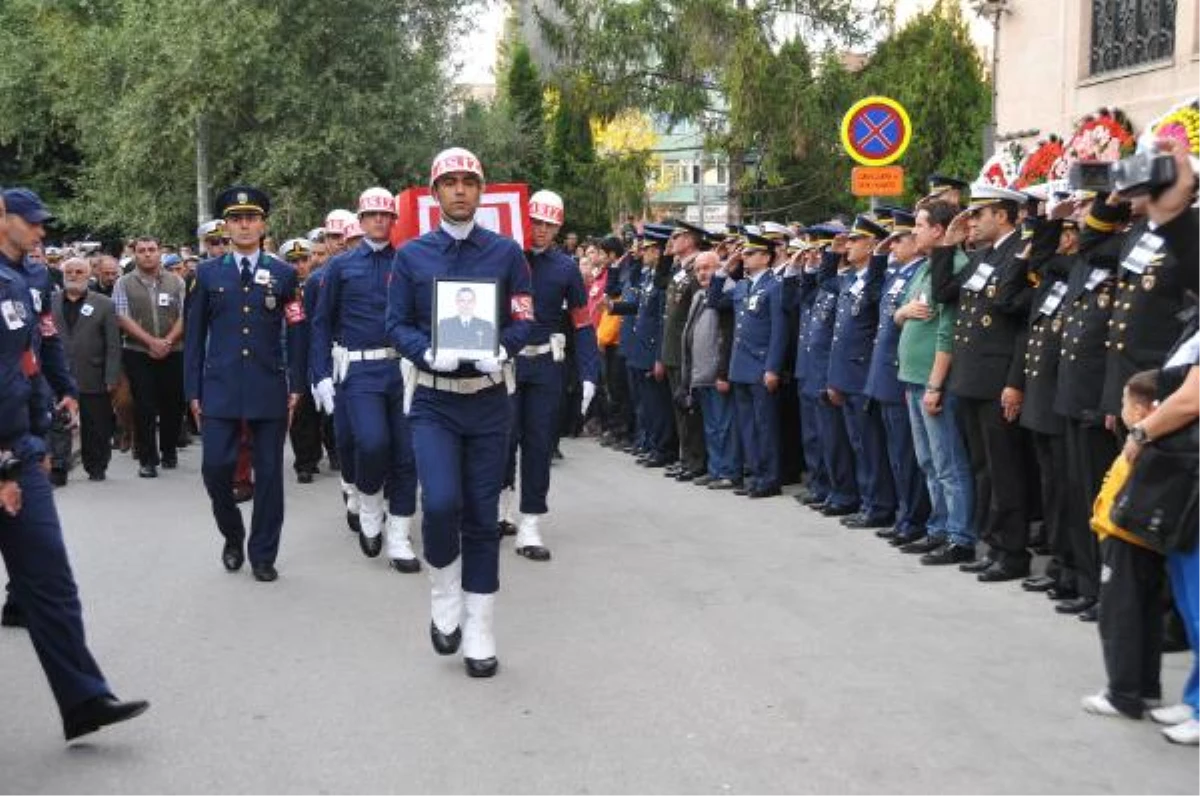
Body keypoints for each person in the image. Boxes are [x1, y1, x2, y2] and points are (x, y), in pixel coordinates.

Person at [0, 192, 149, 741]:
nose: (41, 231)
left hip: (19, 445)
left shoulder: (22, 281)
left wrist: (48, 405)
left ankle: (83, 699)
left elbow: (27, 356)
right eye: (31, 222)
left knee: (51, 580)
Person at [385, 147, 532, 678]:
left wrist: (506, 348)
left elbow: (523, 319)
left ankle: (480, 627)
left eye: (470, 181)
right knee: (442, 504)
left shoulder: (506, 253)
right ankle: (444, 591)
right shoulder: (412, 256)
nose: (461, 190)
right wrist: (426, 351)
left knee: (482, 516)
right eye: (450, 183)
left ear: (481, 190)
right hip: (434, 400)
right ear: (435, 193)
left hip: (490, 399)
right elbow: (395, 323)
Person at [184, 186, 307, 583]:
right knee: (215, 470)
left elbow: (298, 331)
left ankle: (263, 553)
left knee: (270, 476)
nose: (244, 225)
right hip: (219, 388)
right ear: (226, 226)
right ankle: (232, 534)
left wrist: (298, 383)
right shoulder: (205, 274)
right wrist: (192, 391)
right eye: (236, 219)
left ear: (262, 224)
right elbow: (193, 338)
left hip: (268, 386)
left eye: (251, 218)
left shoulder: (285, 274)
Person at [311, 187, 419, 572]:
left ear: (393, 220)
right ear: (360, 221)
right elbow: (321, 323)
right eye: (371, 214)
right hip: (358, 370)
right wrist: (320, 373)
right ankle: (370, 502)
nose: (378, 220)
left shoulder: (407, 261)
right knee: (372, 443)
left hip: (403, 367)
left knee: (407, 455)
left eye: (385, 215)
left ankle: (400, 538)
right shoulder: (340, 267)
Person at [932, 183, 1035, 583]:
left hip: (998, 379)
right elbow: (944, 293)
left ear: (1003, 216)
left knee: (1005, 469)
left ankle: (1013, 552)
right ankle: (993, 543)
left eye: (980, 214)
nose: (972, 221)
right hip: (972, 378)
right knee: (983, 467)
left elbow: (1023, 324)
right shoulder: (982, 257)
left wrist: (1015, 381)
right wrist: (948, 247)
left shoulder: (1020, 253)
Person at [502, 189, 599, 561]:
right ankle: (502, 507)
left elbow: (581, 321)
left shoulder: (566, 269)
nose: (540, 231)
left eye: (548, 225)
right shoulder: (508, 258)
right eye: (535, 222)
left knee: (539, 444)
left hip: (546, 364)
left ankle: (530, 524)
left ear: (558, 227)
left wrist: (590, 371)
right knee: (503, 439)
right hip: (508, 361)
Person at [1081, 369, 1165, 721]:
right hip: (1145, 542)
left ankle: (1122, 694)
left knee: (1120, 616)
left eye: (1125, 403)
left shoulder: (1140, 444)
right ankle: (1145, 688)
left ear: (1143, 411)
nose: (1122, 409)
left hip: (1123, 537)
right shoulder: (1162, 442)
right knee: (1145, 616)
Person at [894, 201, 976, 559]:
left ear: (939, 230)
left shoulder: (954, 266)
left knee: (948, 462)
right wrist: (903, 313)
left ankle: (960, 535)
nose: (914, 232)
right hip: (912, 378)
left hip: (932, 380)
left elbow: (948, 333)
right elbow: (901, 312)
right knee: (928, 461)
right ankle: (939, 526)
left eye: (920, 225)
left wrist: (934, 385)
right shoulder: (925, 268)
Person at [864, 210, 930, 544]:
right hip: (885, 374)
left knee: (907, 454)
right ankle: (904, 513)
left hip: (897, 371)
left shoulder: (919, 272)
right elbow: (872, 295)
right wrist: (877, 256)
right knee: (896, 452)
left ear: (917, 243)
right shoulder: (897, 273)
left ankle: (912, 518)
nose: (892, 246)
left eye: (899, 239)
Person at [828, 214, 896, 528]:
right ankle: (867, 501)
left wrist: (879, 260)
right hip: (846, 374)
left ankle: (878, 505)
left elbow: (872, 297)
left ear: (872, 245)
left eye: (855, 240)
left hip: (863, 373)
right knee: (858, 443)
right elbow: (821, 285)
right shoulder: (849, 279)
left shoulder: (876, 279)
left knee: (870, 444)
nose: (848, 245)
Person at [707, 232, 787, 498]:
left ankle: (770, 478)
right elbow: (714, 301)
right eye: (745, 253)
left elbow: (779, 330)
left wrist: (773, 367)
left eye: (751, 253)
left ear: (765, 257)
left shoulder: (775, 286)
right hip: (740, 365)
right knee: (748, 426)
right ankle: (754, 474)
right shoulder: (742, 285)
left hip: (761, 365)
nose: (745, 257)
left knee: (765, 425)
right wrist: (722, 271)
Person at [113, 236, 186, 478]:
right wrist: (151, 342)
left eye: (152, 250)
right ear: (135, 254)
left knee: (173, 404)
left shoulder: (176, 281)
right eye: (142, 250)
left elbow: (186, 315)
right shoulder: (124, 283)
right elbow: (122, 316)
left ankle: (169, 450)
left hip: (173, 351)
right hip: (138, 352)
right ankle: (147, 459)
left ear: (160, 252)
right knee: (143, 405)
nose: (147, 254)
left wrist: (166, 341)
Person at [51, 258, 121, 481]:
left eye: (79, 271)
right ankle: (59, 466)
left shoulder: (104, 304)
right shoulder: (49, 301)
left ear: (88, 274)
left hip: (94, 373)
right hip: (58, 375)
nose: (73, 275)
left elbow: (113, 344)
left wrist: (111, 375)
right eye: (69, 271)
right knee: (58, 422)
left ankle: (97, 465)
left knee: (96, 426)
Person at [680, 250, 738, 488]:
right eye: (699, 269)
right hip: (701, 371)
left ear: (720, 267)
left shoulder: (728, 290)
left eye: (708, 267)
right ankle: (716, 469)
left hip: (716, 372)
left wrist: (723, 372)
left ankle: (728, 471)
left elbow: (729, 335)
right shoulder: (699, 295)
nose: (703, 273)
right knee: (712, 427)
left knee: (723, 426)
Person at [280, 238, 324, 484]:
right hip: (295, 356)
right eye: (293, 261)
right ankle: (304, 462)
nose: (299, 266)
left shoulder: (321, 284)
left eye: (303, 260)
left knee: (325, 410)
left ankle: (326, 452)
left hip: (321, 353)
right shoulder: (281, 289)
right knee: (301, 410)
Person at [435, 286, 497, 351]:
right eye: (462, 300)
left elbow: (489, 350)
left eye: (470, 301)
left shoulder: (486, 325)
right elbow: (441, 349)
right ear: (457, 302)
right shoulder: (445, 324)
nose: (466, 304)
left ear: (474, 303)